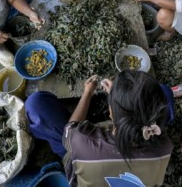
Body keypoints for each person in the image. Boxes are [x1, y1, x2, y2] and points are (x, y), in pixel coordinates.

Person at [25, 71, 174, 187]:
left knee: (36, 104)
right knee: (164, 92)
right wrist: (119, 100)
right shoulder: (165, 147)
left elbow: (70, 129)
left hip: (82, 155)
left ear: (111, 113)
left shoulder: (83, 142)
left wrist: (87, 94)